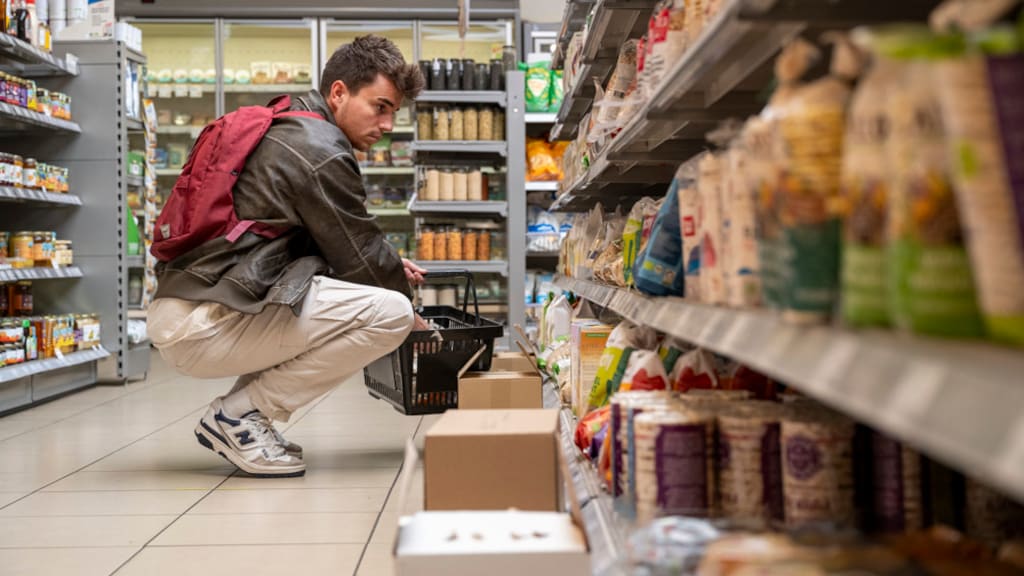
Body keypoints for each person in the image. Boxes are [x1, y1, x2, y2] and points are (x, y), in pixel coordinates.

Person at [147, 35, 428, 478]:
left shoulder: (292, 121)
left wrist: (387, 265)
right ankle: (237, 417)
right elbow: (360, 252)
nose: (389, 123)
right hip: (203, 324)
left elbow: (335, 241)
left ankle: (245, 415)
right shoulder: (320, 148)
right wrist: (407, 308)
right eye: (380, 106)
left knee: (366, 302)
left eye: (394, 110)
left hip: (194, 309)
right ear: (339, 92)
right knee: (389, 313)